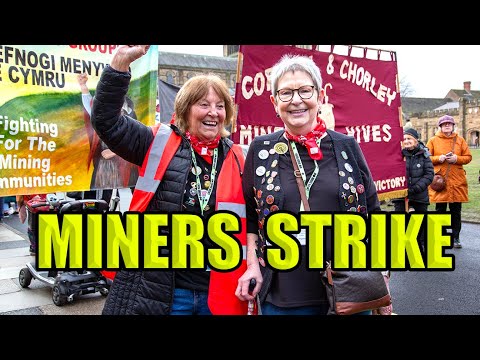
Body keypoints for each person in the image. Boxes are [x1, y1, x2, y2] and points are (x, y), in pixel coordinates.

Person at [91, 45, 247, 315]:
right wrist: (119, 64)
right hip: (166, 292)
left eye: (220, 106)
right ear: (186, 109)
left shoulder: (238, 156)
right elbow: (107, 122)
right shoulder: (157, 140)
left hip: (219, 291)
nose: (213, 112)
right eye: (204, 104)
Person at [235, 54, 382, 315]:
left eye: (305, 90)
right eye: (286, 93)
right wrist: (252, 265)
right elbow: (249, 213)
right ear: (274, 102)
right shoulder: (261, 149)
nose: (296, 100)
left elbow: (373, 211)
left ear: (321, 95)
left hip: (349, 288)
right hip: (283, 293)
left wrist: (380, 277)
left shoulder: (346, 146)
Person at [78, 73, 139, 191]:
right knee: (102, 196)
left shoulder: (130, 112)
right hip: (104, 164)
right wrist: (83, 86)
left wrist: (115, 152)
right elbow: (91, 108)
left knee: (130, 191)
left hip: (123, 163)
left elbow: (133, 139)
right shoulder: (103, 109)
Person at [426, 115, 472, 248]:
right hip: (440, 181)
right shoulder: (433, 140)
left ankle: (455, 237)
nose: (447, 126)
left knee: (456, 211)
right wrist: (438, 158)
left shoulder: (460, 140)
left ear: (453, 126)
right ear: (440, 127)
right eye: (444, 124)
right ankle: (440, 237)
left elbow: (468, 157)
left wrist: (457, 158)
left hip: (457, 181)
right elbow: (426, 157)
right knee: (440, 210)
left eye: (449, 124)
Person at [392, 127, 434, 250]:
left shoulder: (424, 154)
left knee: (419, 223)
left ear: (416, 140)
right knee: (400, 222)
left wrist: (415, 188)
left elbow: (429, 174)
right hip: (400, 197)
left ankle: (420, 247)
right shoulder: (397, 155)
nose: (407, 141)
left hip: (419, 196)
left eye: (409, 138)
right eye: (404, 139)